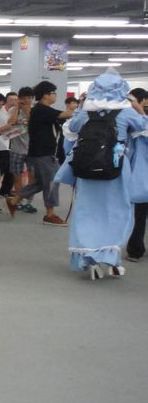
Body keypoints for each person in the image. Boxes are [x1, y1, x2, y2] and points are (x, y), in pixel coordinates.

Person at [54, 72, 146, 280]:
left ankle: (89, 258)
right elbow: (143, 128)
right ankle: (111, 259)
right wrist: (139, 109)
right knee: (117, 211)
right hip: (116, 168)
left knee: (86, 211)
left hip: (86, 168)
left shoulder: (86, 113)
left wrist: (81, 106)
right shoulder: (126, 112)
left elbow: (72, 129)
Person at [7, 81, 73, 225]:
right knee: (52, 181)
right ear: (45, 95)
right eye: (54, 93)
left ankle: (14, 200)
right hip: (42, 153)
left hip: (41, 152)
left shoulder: (42, 110)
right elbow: (67, 114)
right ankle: (50, 214)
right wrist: (77, 108)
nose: (55, 96)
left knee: (41, 182)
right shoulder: (42, 110)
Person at [126, 88, 148, 263]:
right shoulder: (131, 120)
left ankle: (135, 249)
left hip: (139, 173)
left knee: (140, 214)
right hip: (139, 174)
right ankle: (135, 249)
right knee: (140, 214)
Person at [6, 87, 36, 213]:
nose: (27, 100)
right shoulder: (13, 109)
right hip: (16, 149)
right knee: (17, 177)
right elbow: (10, 123)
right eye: (25, 98)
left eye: (30, 98)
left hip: (32, 149)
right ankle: (18, 201)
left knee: (32, 178)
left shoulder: (35, 110)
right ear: (20, 98)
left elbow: (35, 123)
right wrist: (17, 108)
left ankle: (28, 202)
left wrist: (26, 110)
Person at [0, 92, 18, 199]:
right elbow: (6, 126)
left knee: (10, 170)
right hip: (0, 143)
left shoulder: (15, 111)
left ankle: (5, 190)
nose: (13, 102)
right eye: (11, 99)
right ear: (6, 100)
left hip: (12, 143)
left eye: (15, 99)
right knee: (0, 169)